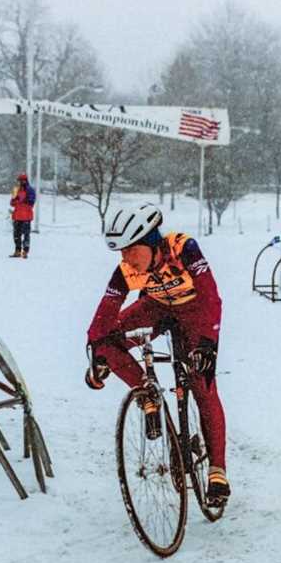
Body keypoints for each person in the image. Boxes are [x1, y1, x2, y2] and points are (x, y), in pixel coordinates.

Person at [84, 203, 230, 504]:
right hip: (157, 308)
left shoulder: (183, 247)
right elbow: (104, 315)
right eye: (121, 253)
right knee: (106, 340)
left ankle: (217, 471)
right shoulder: (126, 270)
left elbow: (211, 297)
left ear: (151, 244)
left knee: (202, 384)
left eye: (130, 250)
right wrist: (96, 352)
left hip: (194, 311)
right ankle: (146, 393)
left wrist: (207, 343)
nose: (126, 259)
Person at [9, 172, 36, 258]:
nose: (20, 182)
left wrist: (20, 201)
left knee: (26, 234)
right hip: (18, 215)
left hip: (25, 216)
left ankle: (24, 251)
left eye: (21, 180)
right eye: (19, 180)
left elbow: (31, 202)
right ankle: (18, 250)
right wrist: (18, 201)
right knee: (17, 234)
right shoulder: (16, 190)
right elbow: (12, 203)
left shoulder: (30, 190)